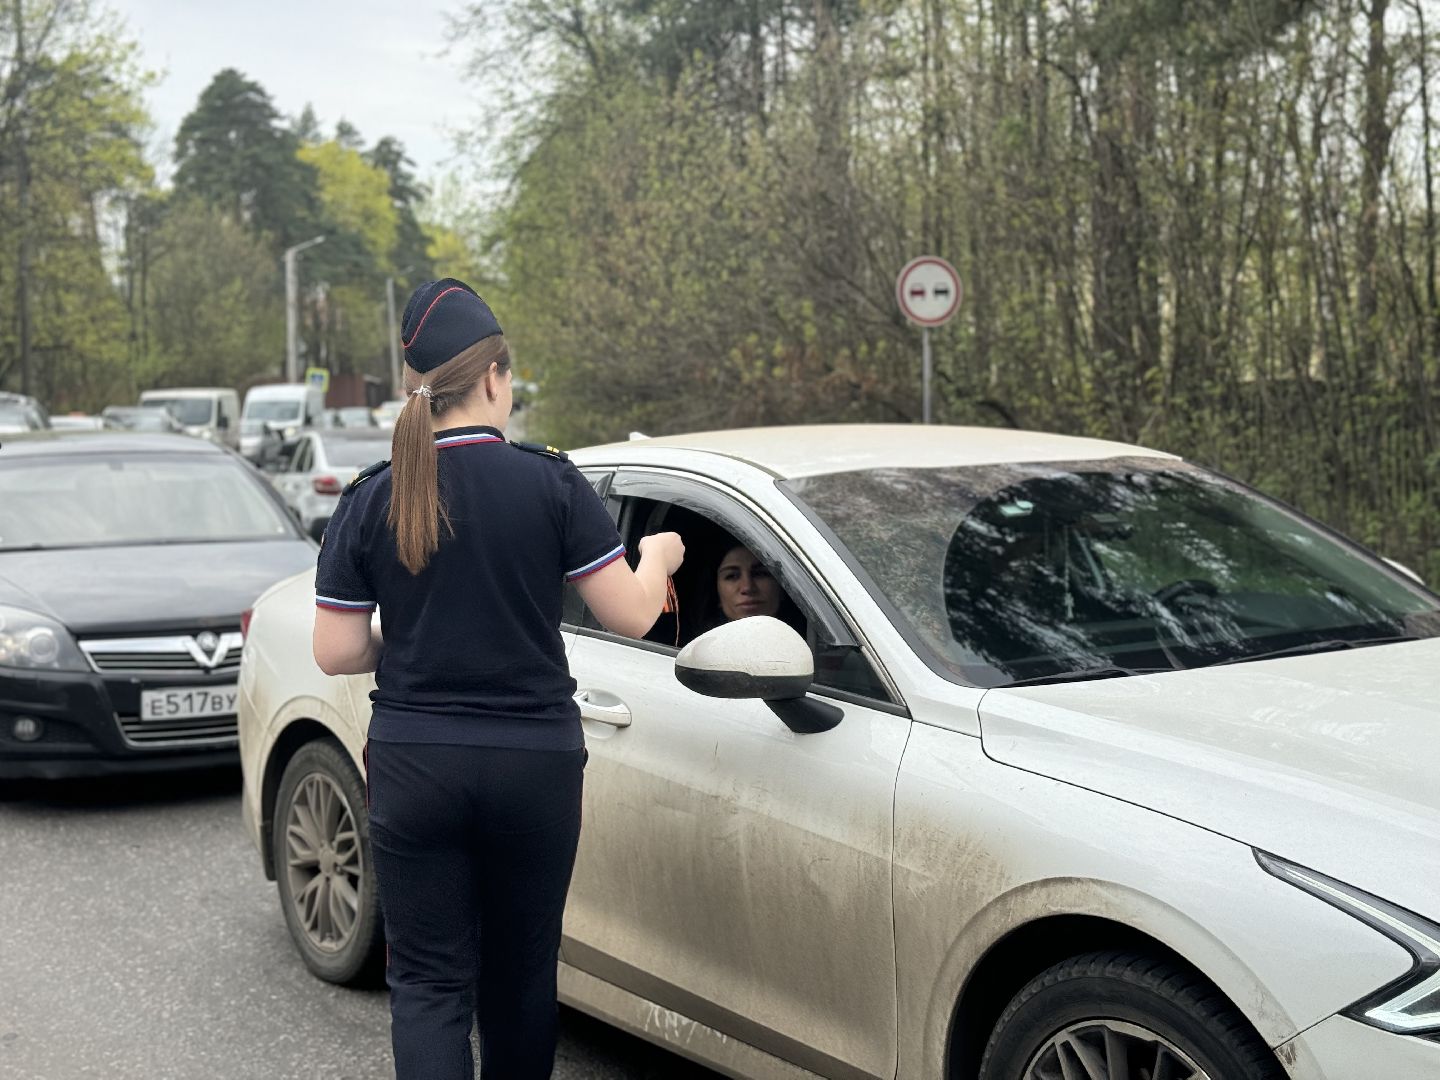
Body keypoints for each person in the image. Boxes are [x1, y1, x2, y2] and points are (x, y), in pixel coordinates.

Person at [311, 277, 684, 1080]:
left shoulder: (373, 497)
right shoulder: (550, 484)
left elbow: (337, 650)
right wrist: (661, 556)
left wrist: (411, 631)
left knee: (429, 983)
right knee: (519, 975)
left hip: (416, 764)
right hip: (534, 767)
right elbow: (632, 615)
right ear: (492, 378)